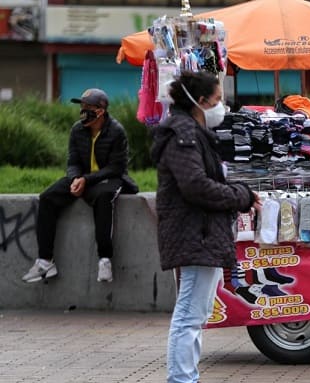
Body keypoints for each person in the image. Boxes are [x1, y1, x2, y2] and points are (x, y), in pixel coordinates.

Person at [151, 71, 257, 383]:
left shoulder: (193, 133)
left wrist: (243, 193)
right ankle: (182, 379)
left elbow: (208, 181)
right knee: (189, 315)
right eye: (217, 100)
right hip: (194, 234)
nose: (221, 107)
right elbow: (197, 186)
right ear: (200, 102)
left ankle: (185, 377)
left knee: (195, 315)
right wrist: (241, 196)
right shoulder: (183, 136)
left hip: (202, 234)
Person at [21, 88, 139, 284]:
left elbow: (116, 168)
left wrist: (87, 180)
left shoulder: (116, 131)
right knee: (47, 198)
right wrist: (76, 178)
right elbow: (72, 161)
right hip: (83, 178)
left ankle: (104, 260)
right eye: (81, 107)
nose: (83, 111)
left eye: (87, 107)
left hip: (108, 179)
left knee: (103, 199)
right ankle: (45, 262)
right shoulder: (77, 129)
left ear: (100, 111)